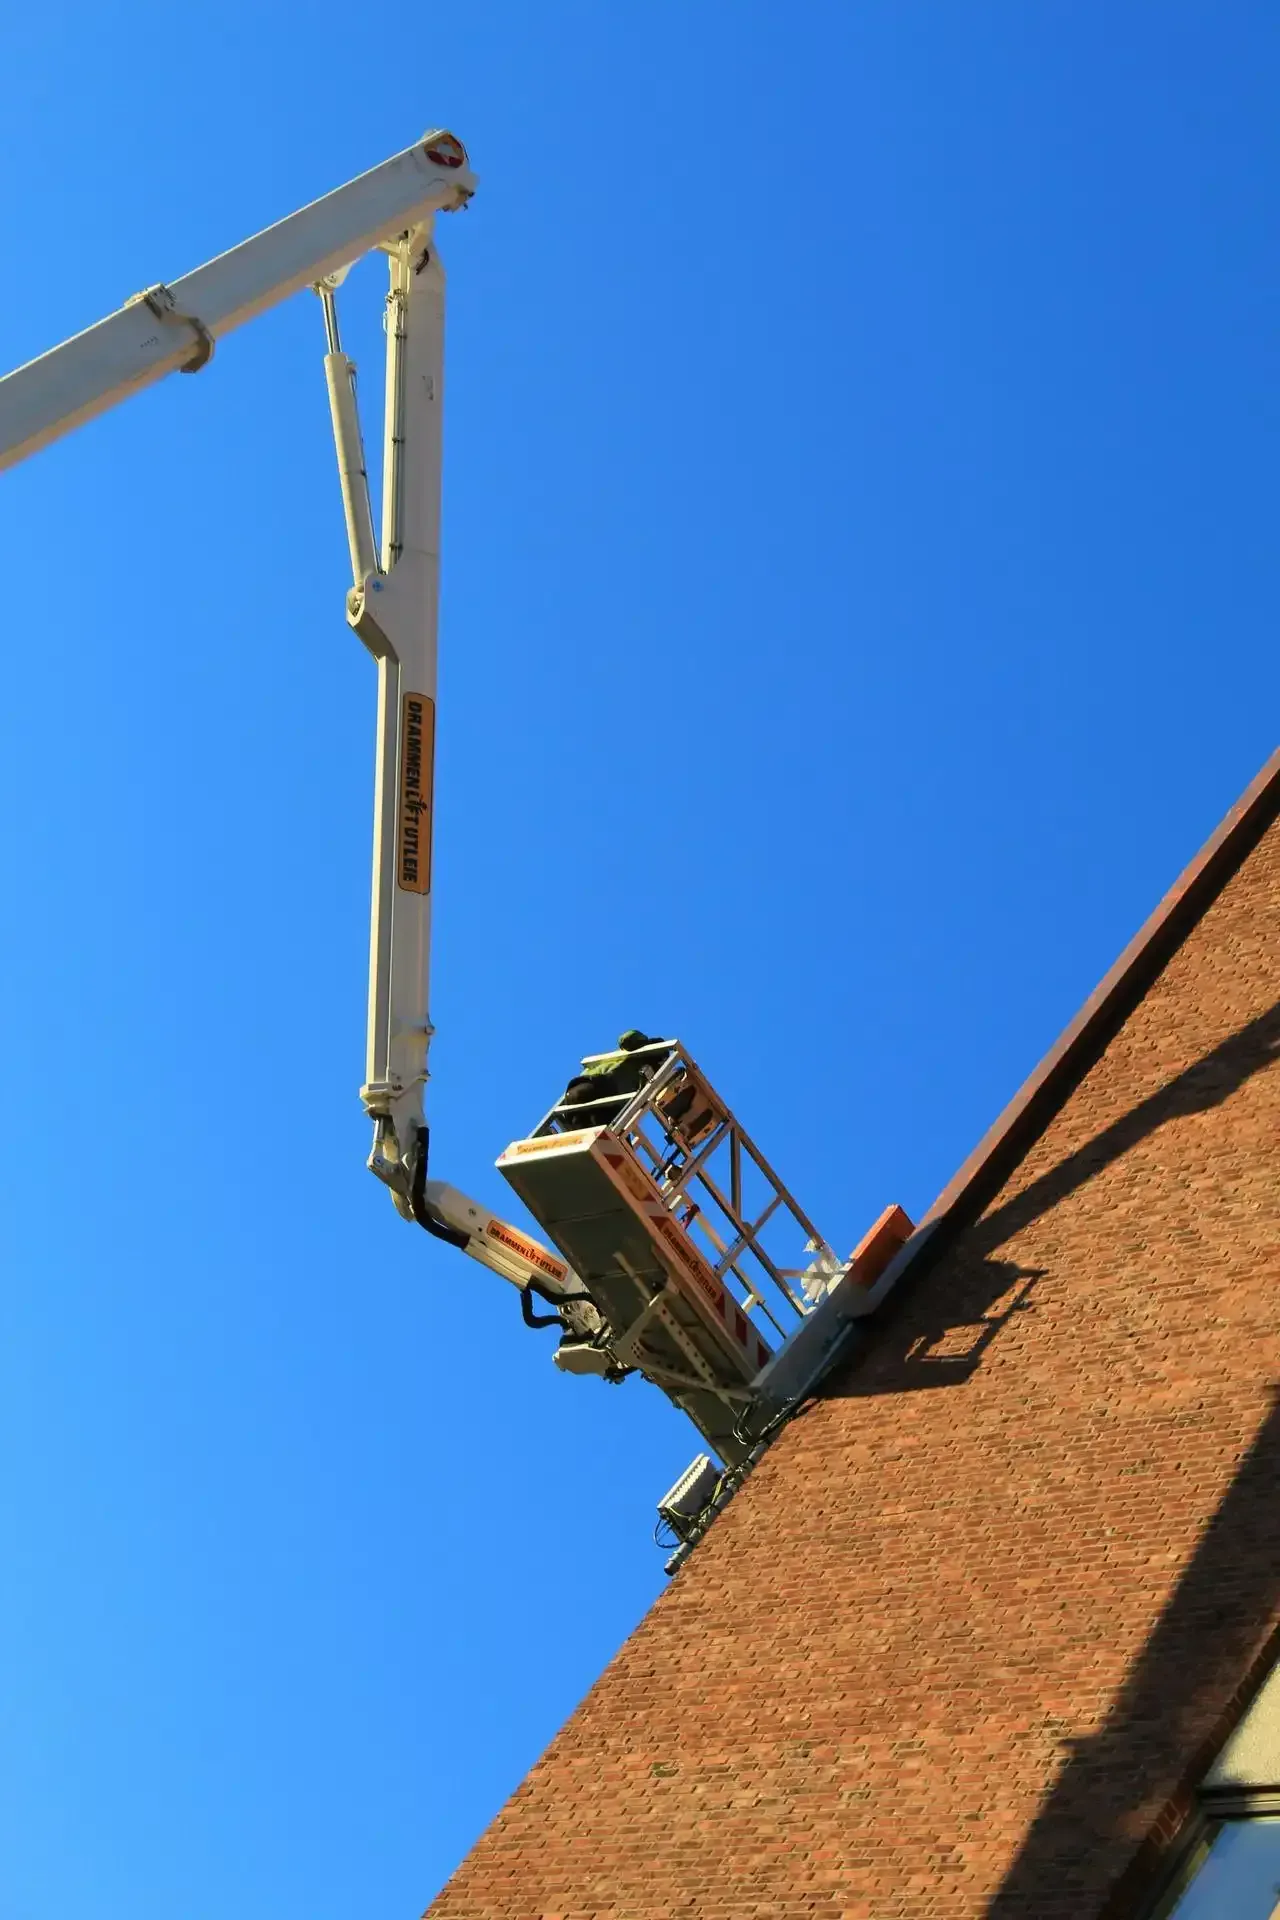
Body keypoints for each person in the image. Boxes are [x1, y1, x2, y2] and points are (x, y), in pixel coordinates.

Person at [560, 1030, 664, 1124]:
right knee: (617, 1139)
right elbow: (627, 1038)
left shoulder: (620, 1058)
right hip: (598, 1091)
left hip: (574, 1095)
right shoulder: (637, 1055)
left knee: (594, 1138)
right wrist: (648, 1044)